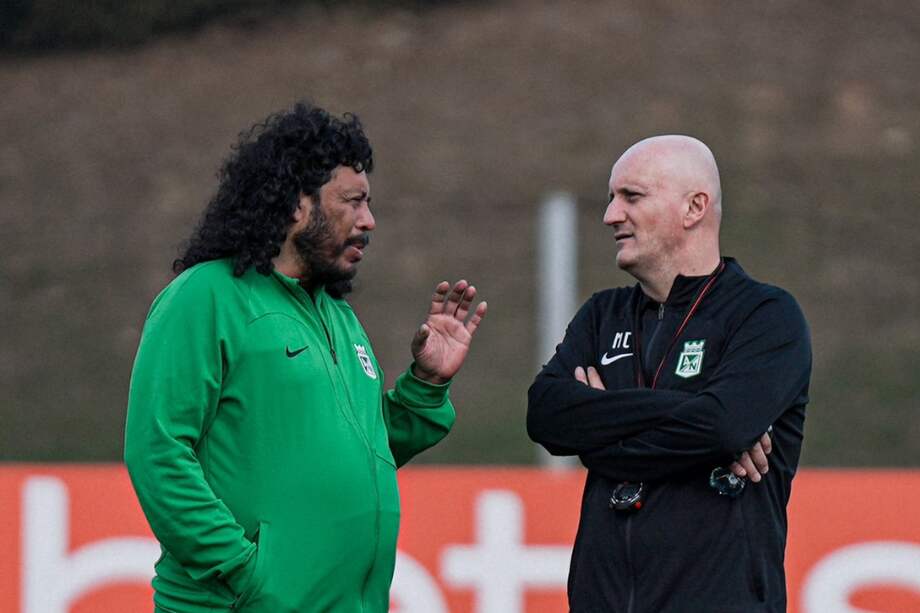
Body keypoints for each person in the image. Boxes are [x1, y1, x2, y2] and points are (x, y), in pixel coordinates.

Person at [124, 102, 487, 613]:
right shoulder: (205, 297)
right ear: (297, 205)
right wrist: (245, 575)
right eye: (353, 202)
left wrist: (425, 384)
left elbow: (362, 449)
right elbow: (157, 453)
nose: (370, 221)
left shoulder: (338, 315)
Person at [527, 135, 811, 613]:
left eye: (631, 197)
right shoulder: (602, 314)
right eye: (611, 198)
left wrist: (600, 429)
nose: (610, 215)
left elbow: (724, 425)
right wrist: (693, 414)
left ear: (694, 207)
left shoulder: (765, 314)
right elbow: (547, 416)